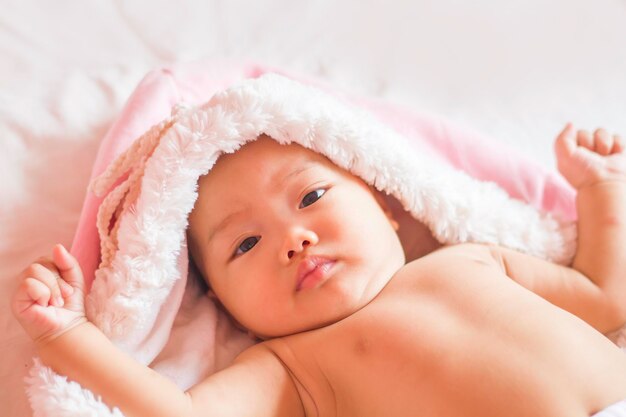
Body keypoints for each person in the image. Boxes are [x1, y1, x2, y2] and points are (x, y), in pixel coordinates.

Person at [11, 123, 626, 417]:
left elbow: (605, 298)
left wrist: (601, 192)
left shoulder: (472, 259)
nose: (293, 239)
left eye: (309, 198)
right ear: (223, 303)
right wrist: (68, 336)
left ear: (387, 207)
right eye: (245, 245)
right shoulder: (294, 365)